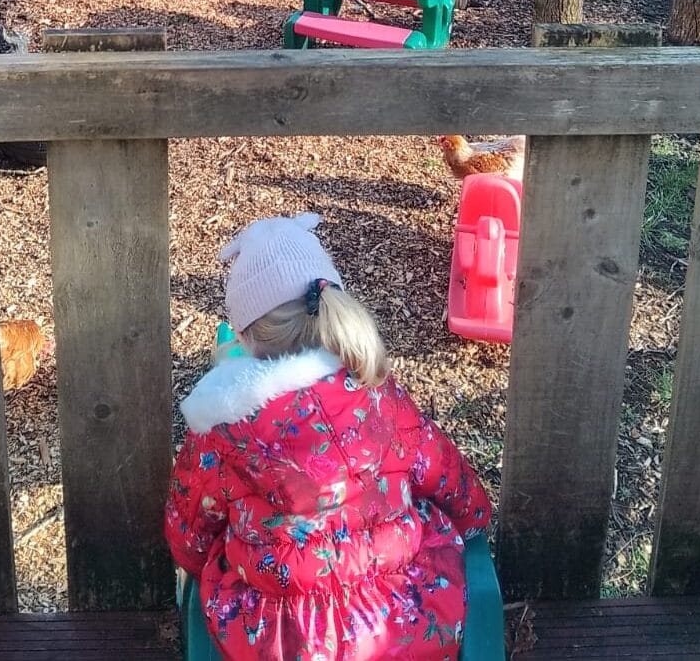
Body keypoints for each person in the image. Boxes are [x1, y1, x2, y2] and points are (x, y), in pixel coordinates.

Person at [166, 213, 492, 661]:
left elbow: (188, 533)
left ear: (242, 336)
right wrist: (474, 520)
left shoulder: (222, 429)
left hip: (278, 640)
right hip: (404, 621)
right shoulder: (380, 395)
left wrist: (199, 560)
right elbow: (450, 480)